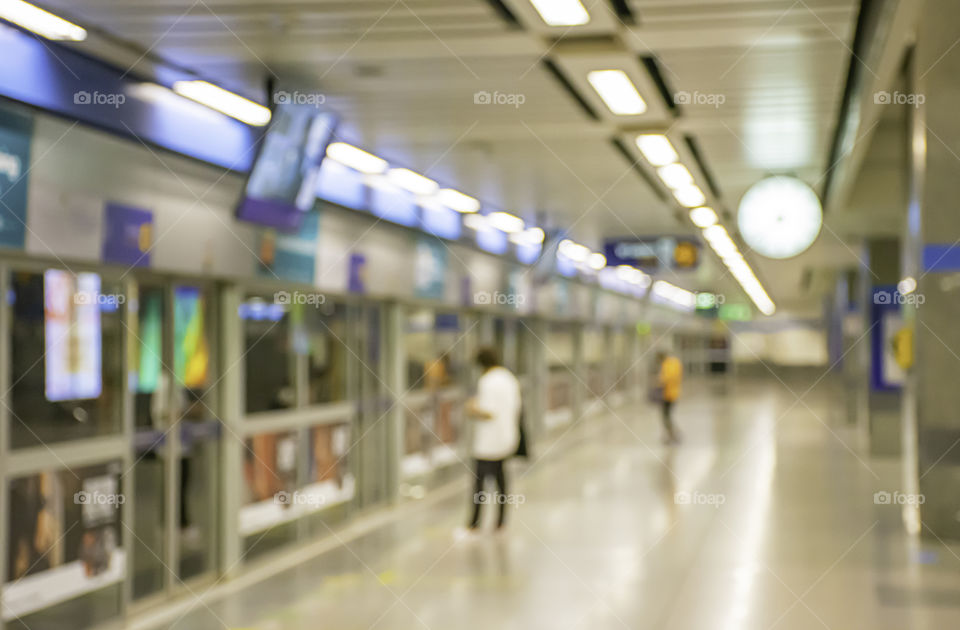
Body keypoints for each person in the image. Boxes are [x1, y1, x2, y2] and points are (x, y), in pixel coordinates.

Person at [464, 347, 521, 531]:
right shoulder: (509, 378)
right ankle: (501, 521)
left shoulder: (487, 381)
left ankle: (474, 524)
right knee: (501, 480)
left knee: (479, 485)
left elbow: (488, 412)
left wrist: (472, 408)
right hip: (507, 437)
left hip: (488, 443)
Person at [657, 351, 683, 444]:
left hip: (668, 394)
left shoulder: (667, 364)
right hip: (673, 393)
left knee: (665, 416)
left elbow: (667, 378)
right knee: (667, 415)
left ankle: (673, 434)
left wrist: (660, 380)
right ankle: (672, 433)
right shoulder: (675, 363)